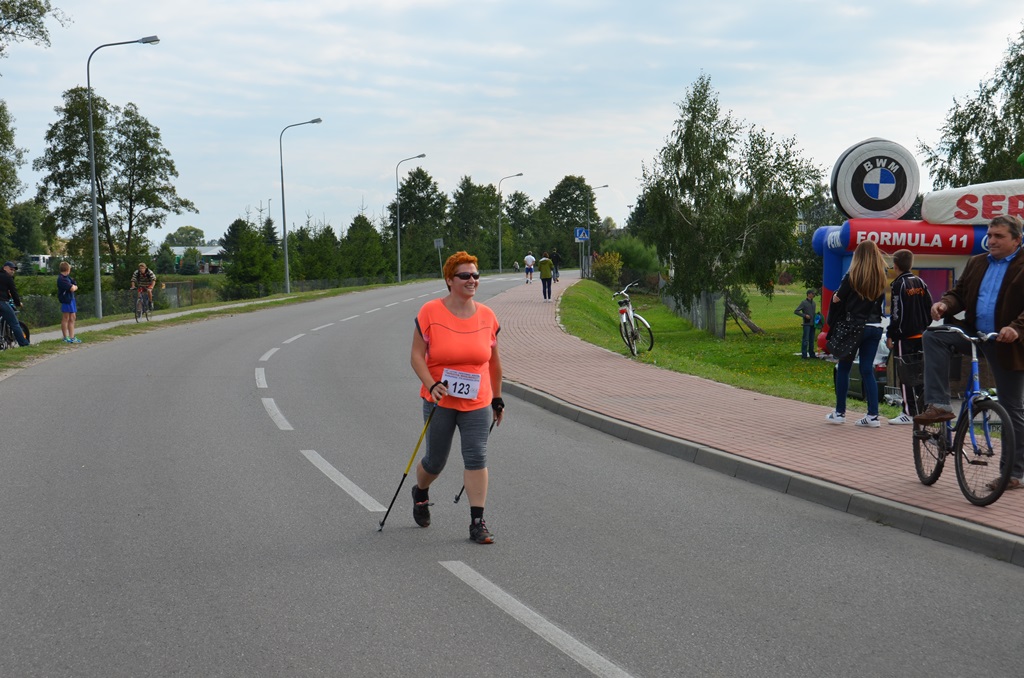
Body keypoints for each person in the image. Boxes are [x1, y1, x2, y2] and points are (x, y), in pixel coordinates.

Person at [914, 215, 1024, 491]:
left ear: (1017, 240)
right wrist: (944, 305)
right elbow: (959, 294)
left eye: (999, 236)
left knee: (1011, 408)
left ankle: (1013, 474)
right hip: (975, 334)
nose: (992, 240)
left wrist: (1016, 328)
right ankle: (939, 404)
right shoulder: (977, 262)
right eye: (990, 235)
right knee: (933, 336)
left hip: (1008, 343)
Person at [410, 251, 505, 543]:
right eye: (465, 275)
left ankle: (477, 522)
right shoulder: (430, 312)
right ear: (450, 280)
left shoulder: (487, 316)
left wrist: (497, 398)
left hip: (477, 400)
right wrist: (431, 384)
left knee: (476, 456)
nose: (472, 280)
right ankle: (421, 492)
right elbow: (416, 356)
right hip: (440, 400)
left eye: (475, 275)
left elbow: (493, 363)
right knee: (435, 461)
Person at [826, 240, 887, 427]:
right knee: (867, 369)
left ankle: (840, 413)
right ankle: (873, 415)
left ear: (858, 256)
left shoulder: (852, 275)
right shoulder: (881, 276)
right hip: (875, 326)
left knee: (844, 367)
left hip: (853, 326)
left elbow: (838, 298)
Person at [886, 249, 932, 424]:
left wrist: (891, 333)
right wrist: (924, 325)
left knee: (905, 375)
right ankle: (922, 409)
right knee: (919, 373)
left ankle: (908, 412)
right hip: (922, 334)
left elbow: (896, 312)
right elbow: (929, 305)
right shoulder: (920, 282)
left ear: (895, 265)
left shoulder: (899, 284)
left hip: (904, 336)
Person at [0, 260, 30, 347]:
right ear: (5, 268)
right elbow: (14, 292)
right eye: (11, 269)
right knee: (14, 323)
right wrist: (18, 303)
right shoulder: (8, 278)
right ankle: (24, 343)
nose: (12, 271)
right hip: (2, 302)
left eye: (13, 270)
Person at [56, 261, 82, 344]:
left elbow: (75, 284)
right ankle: (65, 337)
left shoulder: (68, 278)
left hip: (71, 299)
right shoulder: (61, 279)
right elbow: (72, 288)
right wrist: (74, 287)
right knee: (66, 318)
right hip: (66, 300)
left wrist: (74, 286)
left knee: (73, 317)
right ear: (67, 269)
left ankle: (72, 336)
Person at [794, 290, 817, 358]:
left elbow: (813, 313)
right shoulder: (803, 303)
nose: (813, 295)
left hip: (813, 324)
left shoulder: (814, 303)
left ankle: (812, 354)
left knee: (812, 340)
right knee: (806, 340)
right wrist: (804, 315)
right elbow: (796, 311)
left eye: (814, 294)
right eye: (812, 294)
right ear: (808, 294)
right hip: (807, 324)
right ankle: (804, 355)